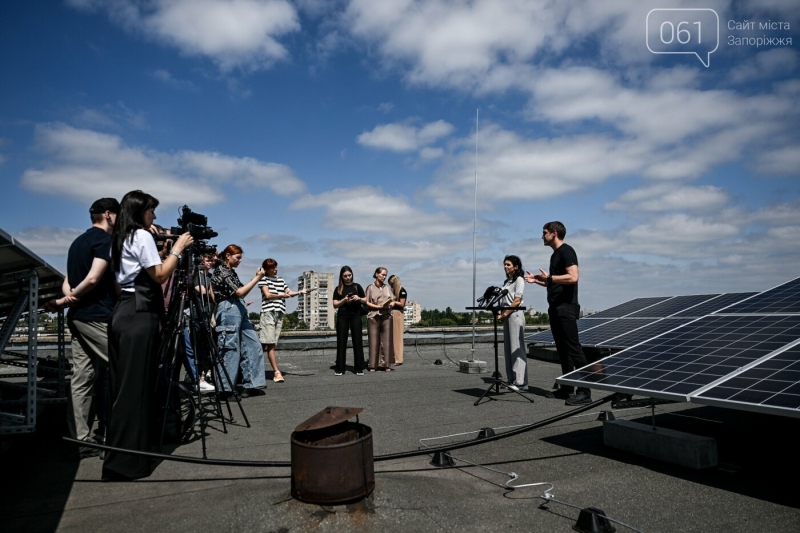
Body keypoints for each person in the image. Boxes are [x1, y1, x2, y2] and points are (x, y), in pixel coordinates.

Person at [103, 190, 193, 481]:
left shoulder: (118, 240)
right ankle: (128, 464)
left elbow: (118, 286)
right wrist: (178, 249)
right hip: (140, 315)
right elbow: (160, 276)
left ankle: (120, 457)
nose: (154, 216)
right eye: (151, 210)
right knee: (137, 390)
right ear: (141, 211)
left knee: (122, 389)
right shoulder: (141, 236)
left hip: (122, 313)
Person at [46, 198, 119, 459]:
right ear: (109, 215)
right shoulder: (104, 242)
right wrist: (69, 299)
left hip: (77, 317)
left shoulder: (77, 243)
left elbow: (69, 280)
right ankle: (115, 433)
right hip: (96, 316)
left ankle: (81, 439)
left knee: (82, 378)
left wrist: (68, 299)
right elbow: (92, 278)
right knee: (120, 367)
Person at [524, 221, 591, 405]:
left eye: (544, 232)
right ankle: (567, 388)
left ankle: (585, 391)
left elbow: (573, 277)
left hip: (566, 308)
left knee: (573, 348)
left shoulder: (567, 251)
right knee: (563, 350)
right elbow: (553, 282)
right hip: (555, 307)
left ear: (554, 233)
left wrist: (550, 278)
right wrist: (538, 280)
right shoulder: (555, 256)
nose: (542, 236)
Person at [210, 244, 267, 397]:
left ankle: (251, 384)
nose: (240, 261)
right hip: (229, 308)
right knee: (230, 349)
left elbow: (241, 292)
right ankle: (225, 388)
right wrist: (257, 278)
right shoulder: (222, 271)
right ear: (228, 256)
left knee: (252, 345)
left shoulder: (229, 272)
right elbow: (240, 291)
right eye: (238, 257)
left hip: (237, 307)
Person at [257, 258, 311, 383]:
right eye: (272, 268)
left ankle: (251, 366)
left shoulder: (281, 280)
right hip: (268, 313)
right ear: (266, 269)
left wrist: (300, 292)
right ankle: (277, 372)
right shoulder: (263, 279)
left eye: (276, 267)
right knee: (270, 344)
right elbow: (268, 295)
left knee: (265, 344)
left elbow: (289, 292)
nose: (275, 269)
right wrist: (282, 295)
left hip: (279, 313)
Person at [498, 255, 527, 392]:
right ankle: (511, 379)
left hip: (514, 315)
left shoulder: (519, 280)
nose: (505, 267)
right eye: (504, 264)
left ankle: (521, 382)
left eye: (508, 264)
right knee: (508, 349)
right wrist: (500, 312)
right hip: (506, 315)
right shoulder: (507, 282)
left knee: (517, 348)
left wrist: (505, 314)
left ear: (516, 267)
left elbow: (516, 300)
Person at [332, 266, 367, 376]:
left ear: (352, 275)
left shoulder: (357, 286)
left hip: (356, 315)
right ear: (341, 277)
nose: (347, 278)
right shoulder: (338, 288)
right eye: (345, 276)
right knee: (341, 341)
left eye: (349, 275)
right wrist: (344, 299)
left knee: (357, 341)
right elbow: (335, 304)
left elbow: (366, 299)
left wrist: (358, 298)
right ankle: (340, 368)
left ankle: (358, 367)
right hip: (343, 316)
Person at [365, 267, 395, 372]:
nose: (384, 277)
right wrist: (378, 307)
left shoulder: (387, 287)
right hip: (374, 315)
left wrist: (390, 303)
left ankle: (387, 364)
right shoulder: (370, 287)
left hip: (386, 315)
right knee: (373, 341)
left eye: (386, 275)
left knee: (387, 340)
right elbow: (366, 302)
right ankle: (373, 365)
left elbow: (393, 300)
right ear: (377, 274)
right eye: (383, 274)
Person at [387, 275, 407, 366]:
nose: (390, 286)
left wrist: (394, 302)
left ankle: (398, 359)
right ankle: (393, 357)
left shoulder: (402, 291)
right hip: (392, 313)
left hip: (398, 313)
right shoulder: (394, 292)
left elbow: (402, 304)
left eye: (391, 284)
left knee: (397, 337)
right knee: (392, 336)